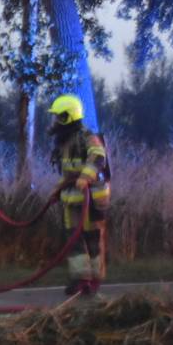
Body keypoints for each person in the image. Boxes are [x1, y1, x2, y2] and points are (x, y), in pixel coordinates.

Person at [47, 94, 110, 296]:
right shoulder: (64, 141)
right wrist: (58, 189)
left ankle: (94, 281)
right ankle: (81, 280)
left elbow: (98, 156)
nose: (55, 121)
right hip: (72, 198)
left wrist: (86, 176)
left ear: (68, 117)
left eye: (58, 117)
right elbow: (68, 173)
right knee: (73, 240)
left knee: (92, 240)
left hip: (90, 199)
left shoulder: (86, 137)